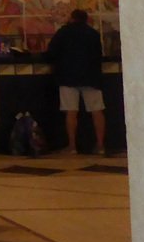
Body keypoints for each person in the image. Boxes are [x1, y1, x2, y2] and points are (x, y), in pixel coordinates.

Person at [45, 8, 107, 155]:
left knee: (71, 112)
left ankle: (72, 146)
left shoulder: (63, 32)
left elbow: (51, 53)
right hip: (91, 77)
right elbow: (98, 55)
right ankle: (100, 145)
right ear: (86, 19)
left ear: (72, 18)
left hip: (67, 76)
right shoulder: (93, 34)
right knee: (97, 111)